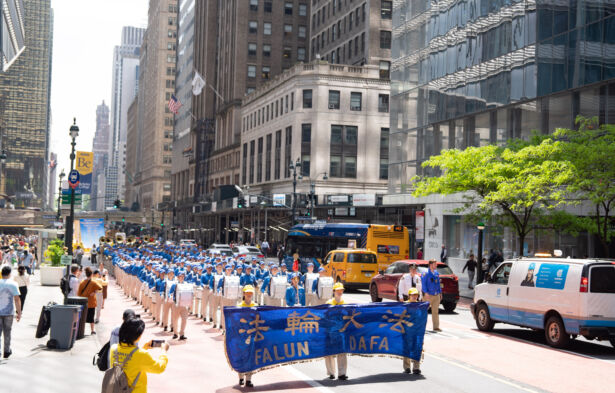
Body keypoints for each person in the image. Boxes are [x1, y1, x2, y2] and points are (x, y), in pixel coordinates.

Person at [108, 318, 169, 393]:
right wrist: (164, 351)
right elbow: (159, 368)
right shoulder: (141, 354)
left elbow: (130, 360)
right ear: (138, 336)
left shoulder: (114, 348)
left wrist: (144, 348)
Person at [325, 282, 348, 380]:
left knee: (342, 352)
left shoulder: (345, 304)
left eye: (341, 290)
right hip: (330, 331)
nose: (340, 292)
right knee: (329, 353)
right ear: (334, 291)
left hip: (341, 331)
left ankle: (342, 373)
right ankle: (331, 372)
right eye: (338, 290)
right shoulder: (328, 303)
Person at [237, 285, 257, 387]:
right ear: (244, 294)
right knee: (241, 356)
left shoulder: (255, 306)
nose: (249, 295)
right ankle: (241, 377)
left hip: (252, 335)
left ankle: (248, 379)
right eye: (247, 293)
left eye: (251, 293)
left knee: (251, 357)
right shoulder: (239, 306)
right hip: (242, 335)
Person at [0, 265, 21, 358]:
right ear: (9, 274)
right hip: (9, 312)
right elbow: (17, 299)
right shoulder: (13, 284)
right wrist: (19, 312)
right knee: (7, 332)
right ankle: (7, 351)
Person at [77, 267, 103, 335]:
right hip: (91, 303)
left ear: (86, 274)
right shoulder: (94, 282)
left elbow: (78, 293)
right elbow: (100, 287)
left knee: (82, 317)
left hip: (83, 302)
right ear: (91, 275)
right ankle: (92, 330)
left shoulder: (82, 282)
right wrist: (94, 292)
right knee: (91, 317)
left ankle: (81, 330)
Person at [403, 287, 422, 374]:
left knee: (417, 348)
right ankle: (407, 367)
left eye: (416, 295)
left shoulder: (420, 306)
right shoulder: (404, 305)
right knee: (407, 348)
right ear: (409, 296)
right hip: (407, 330)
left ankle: (416, 367)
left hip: (417, 330)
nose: (414, 296)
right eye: (413, 295)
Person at [421, 259, 442, 332]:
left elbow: (438, 284)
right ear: (430, 265)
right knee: (424, 311)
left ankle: (436, 327)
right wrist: (425, 292)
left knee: (435, 311)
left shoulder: (436, 273)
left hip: (436, 295)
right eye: (435, 264)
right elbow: (423, 284)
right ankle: (422, 326)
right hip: (428, 295)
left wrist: (440, 293)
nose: (436, 265)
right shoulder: (425, 273)